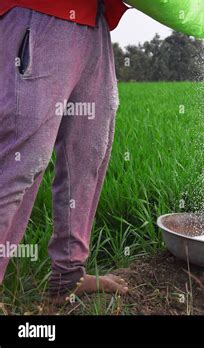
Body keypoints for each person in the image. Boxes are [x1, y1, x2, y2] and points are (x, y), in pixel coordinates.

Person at [0, 0, 129, 302]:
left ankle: (68, 275)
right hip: (41, 14)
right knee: (20, 163)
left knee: (88, 156)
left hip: (95, 26)